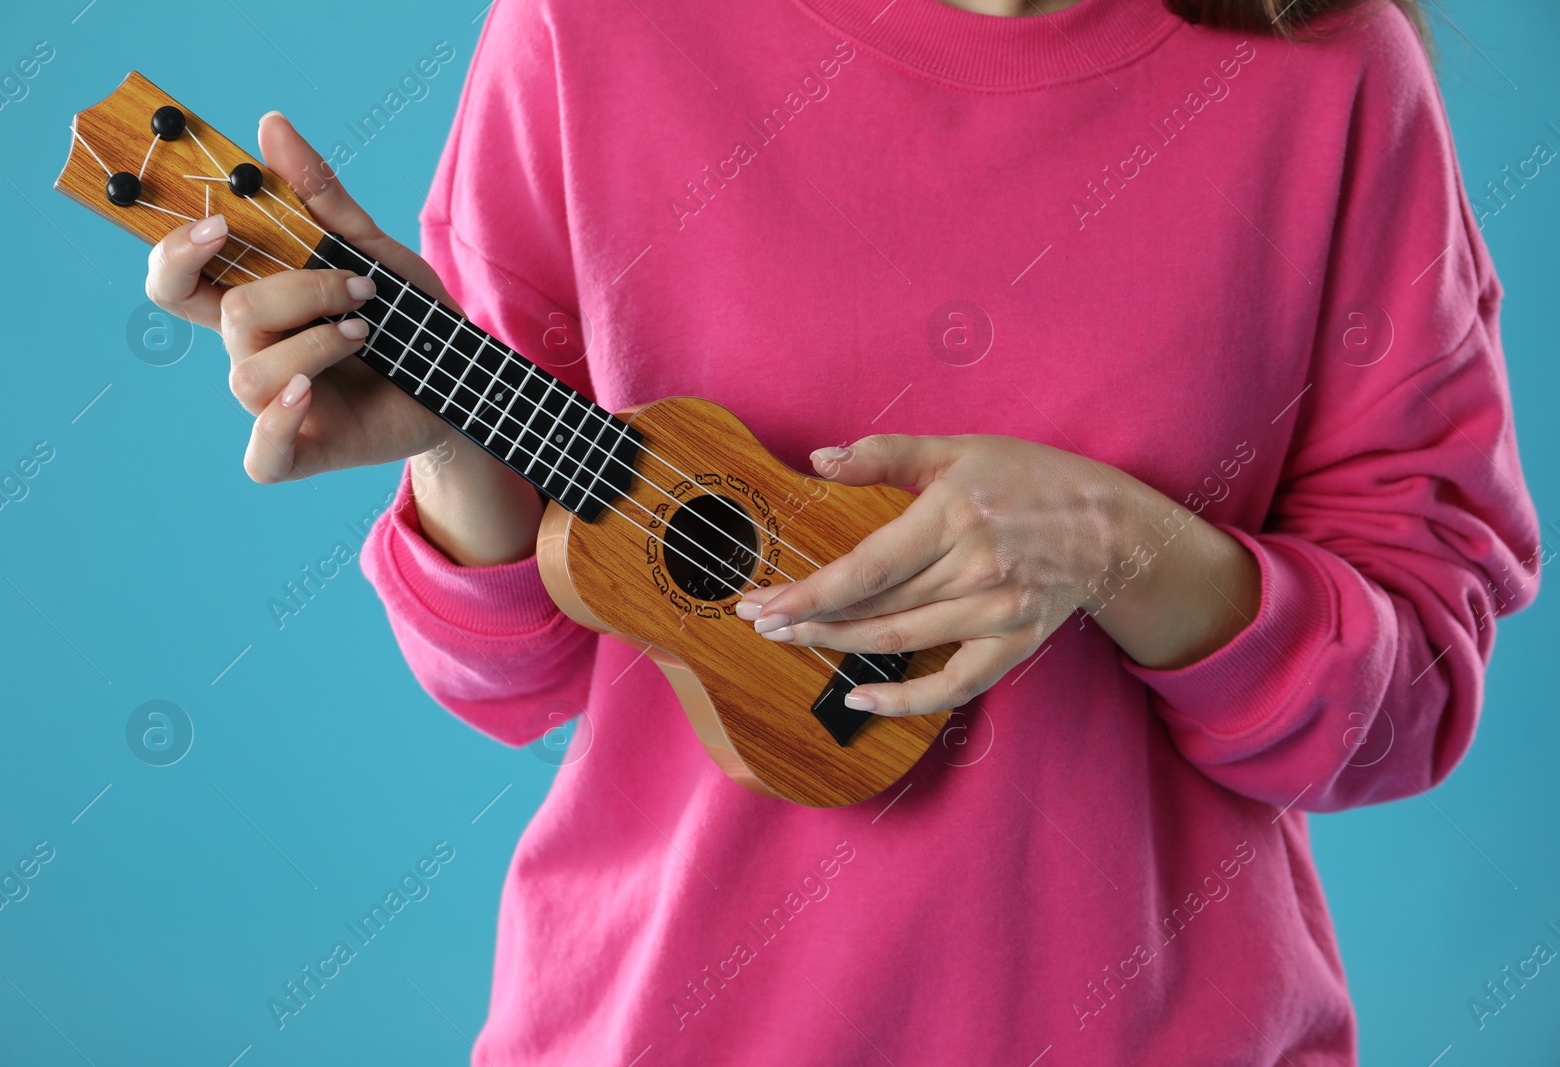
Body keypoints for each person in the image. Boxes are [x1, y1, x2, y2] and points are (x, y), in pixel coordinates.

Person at [143, 0, 1541, 1061]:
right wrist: (455, 438)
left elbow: (1406, 702)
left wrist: (1123, 547)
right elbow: (511, 678)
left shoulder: (1339, 81)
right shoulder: (592, 31)